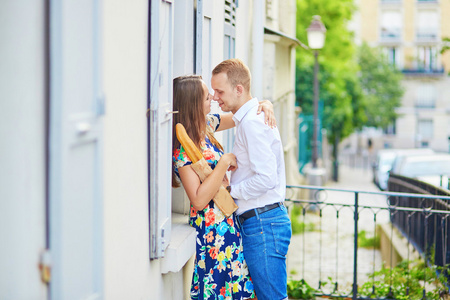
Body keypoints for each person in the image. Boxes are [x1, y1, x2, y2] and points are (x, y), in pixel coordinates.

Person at [172, 74, 275, 300]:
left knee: (236, 292)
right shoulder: (182, 149)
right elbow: (198, 200)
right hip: (211, 231)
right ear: (192, 103)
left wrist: (264, 104)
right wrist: (224, 163)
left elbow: (241, 114)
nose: (213, 98)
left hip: (228, 222)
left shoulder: (208, 125)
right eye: (207, 96)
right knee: (218, 291)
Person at [211, 59, 292, 300]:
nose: (215, 97)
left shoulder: (252, 123)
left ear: (239, 89)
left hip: (263, 225)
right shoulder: (248, 118)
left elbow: (266, 179)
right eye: (213, 92)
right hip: (262, 223)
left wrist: (231, 190)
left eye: (220, 91)